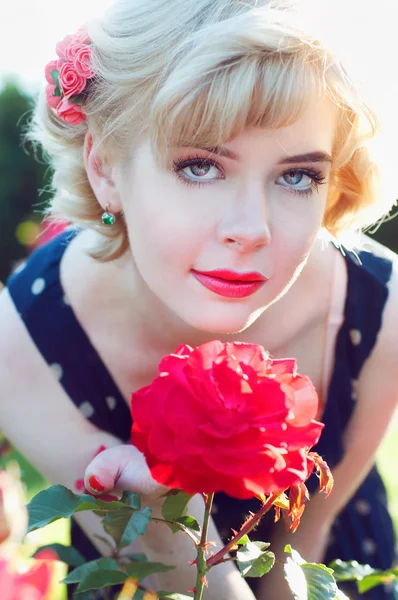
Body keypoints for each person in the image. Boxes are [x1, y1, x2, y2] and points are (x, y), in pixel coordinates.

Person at [1, 0, 397, 597]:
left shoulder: (375, 310)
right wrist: (156, 514)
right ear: (105, 166)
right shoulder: (25, 341)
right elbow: (198, 588)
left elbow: (301, 560)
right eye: (200, 167)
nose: (252, 228)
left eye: (297, 176)